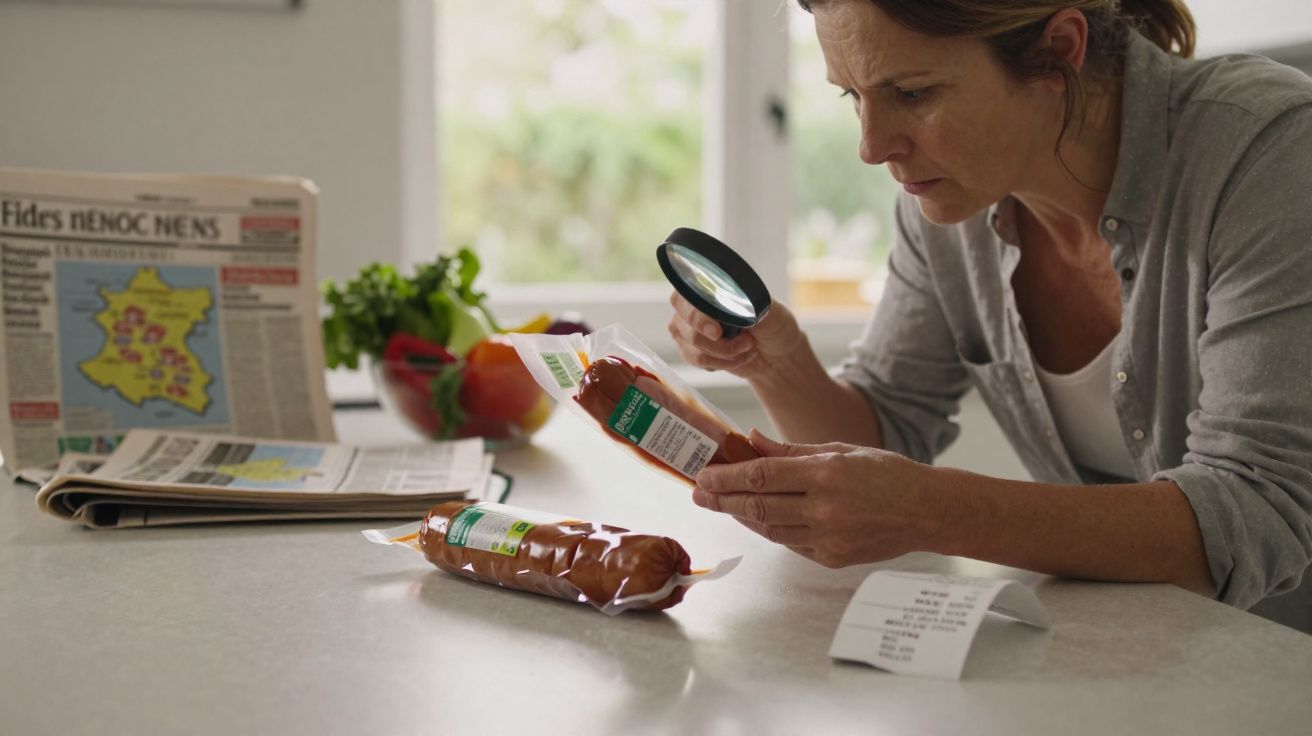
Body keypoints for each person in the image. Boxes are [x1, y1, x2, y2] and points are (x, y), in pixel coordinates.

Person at [668, 0, 1312, 612]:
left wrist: (931, 511)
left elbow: (1255, 509)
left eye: (913, 93)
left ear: (1057, 51)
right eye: (853, 96)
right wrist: (774, 362)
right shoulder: (950, 207)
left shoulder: (1270, 154)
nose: (871, 145)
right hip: (1148, 662)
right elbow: (884, 428)